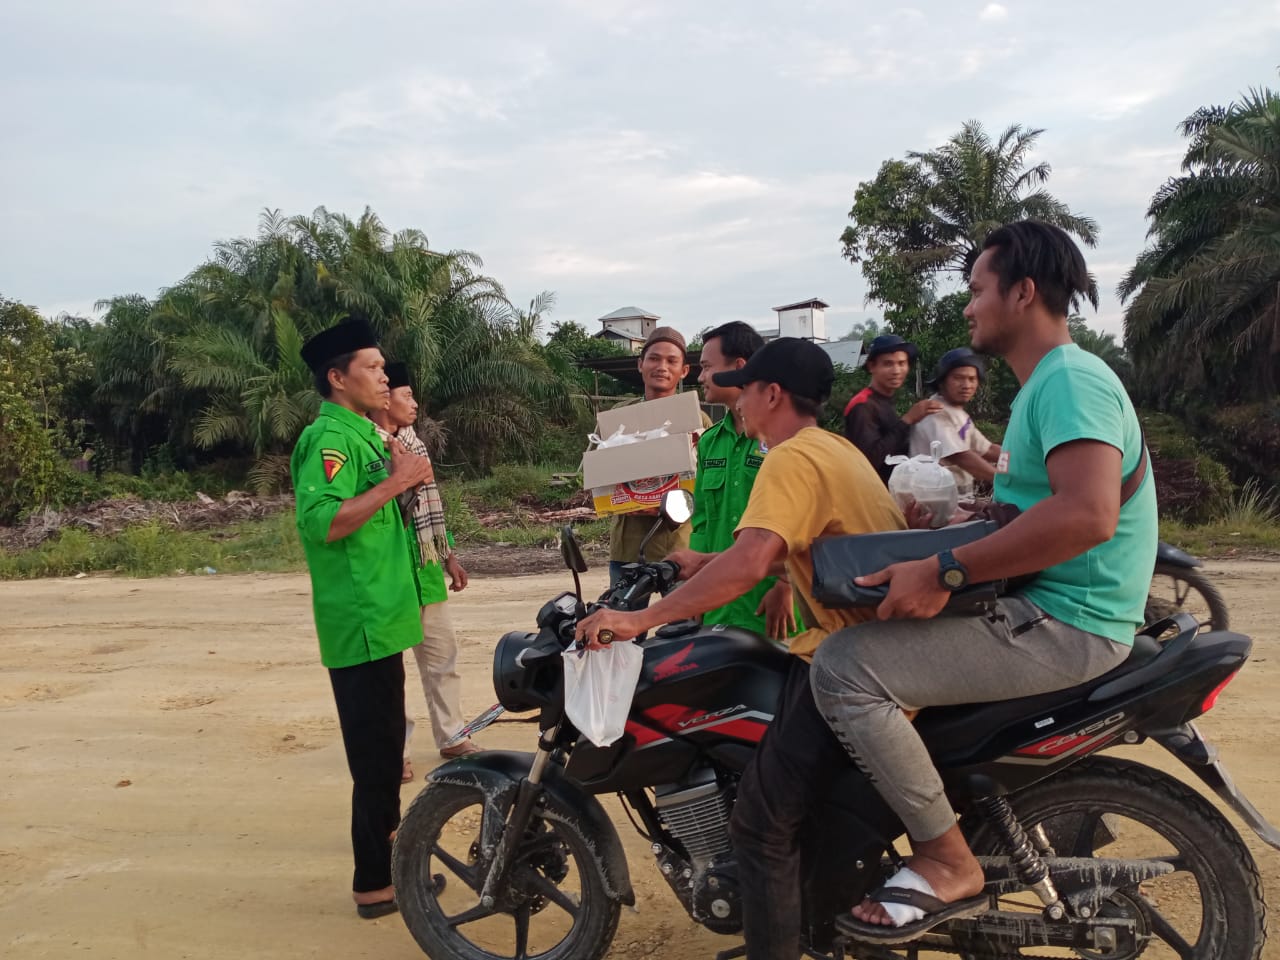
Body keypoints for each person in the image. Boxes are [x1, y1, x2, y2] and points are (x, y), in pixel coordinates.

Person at [810, 220, 1157, 942]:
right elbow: (1038, 505)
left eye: (977, 290)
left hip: (1069, 621)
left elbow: (1088, 515)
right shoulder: (1045, 387)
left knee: (845, 668)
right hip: (1052, 603)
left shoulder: (1068, 379)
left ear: (1023, 291)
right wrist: (957, 525)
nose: (967, 308)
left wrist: (945, 568)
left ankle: (944, 859)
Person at [578, 338, 907, 960]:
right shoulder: (830, 447)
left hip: (848, 663)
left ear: (772, 394)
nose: (737, 396)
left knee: (760, 821)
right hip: (867, 650)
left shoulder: (788, 459)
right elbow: (766, 549)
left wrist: (637, 620)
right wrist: (696, 560)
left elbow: (753, 562)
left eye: (746, 387)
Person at [292, 318, 434, 919]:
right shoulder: (328, 439)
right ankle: (375, 881)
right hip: (362, 618)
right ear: (337, 378)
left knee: (385, 751)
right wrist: (398, 481)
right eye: (372, 368)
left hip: (384, 613)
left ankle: (393, 859)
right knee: (375, 761)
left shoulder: (366, 435)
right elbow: (324, 522)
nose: (384, 376)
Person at [369, 362, 481, 783]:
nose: (414, 404)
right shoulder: (369, 448)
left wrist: (448, 554)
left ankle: (452, 735)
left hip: (426, 567)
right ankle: (395, 751)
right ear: (385, 400)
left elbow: (431, 507)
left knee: (442, 657)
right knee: (391, 670)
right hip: (392, 572)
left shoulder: (415, 444)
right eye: (406, 395)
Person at [686, 321, 797, 639]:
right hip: (720, 603)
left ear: (739, 368)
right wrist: (696, 589)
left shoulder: (783, 439)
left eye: (707, 367)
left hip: (772, 606)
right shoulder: (708, 442)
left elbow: (802, 521)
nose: (701, 377)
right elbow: (703, 523)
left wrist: (786, 584)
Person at [608, 326, 713, 586]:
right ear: (640, 364)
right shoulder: (618, 418)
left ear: (684, 371)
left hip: (680, 548)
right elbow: (603, 475)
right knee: (622, 624)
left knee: (683, 626)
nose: (662, 367)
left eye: (671, 361)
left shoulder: (698, 420)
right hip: (628, 547)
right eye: (654, 359)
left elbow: (708, 482)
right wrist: (622, 499)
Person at [843, 334, 942, 484]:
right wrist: (908, 420)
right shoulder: (863, 405)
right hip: (871, 496)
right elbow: (870, 460)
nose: (896, 370)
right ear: (872, 366)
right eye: (888, 364)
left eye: (902, 363)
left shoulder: (885, 400)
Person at [908, 347, 1001, 500]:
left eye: (972, 379)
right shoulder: (934, 411)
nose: (966, 385)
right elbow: (960, 456)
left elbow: (987, 449)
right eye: (958, 378)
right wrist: (1005, 479)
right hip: (934, 504)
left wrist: (1019, 462)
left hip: (958, 501)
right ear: (942, 381)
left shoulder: (958, 413)